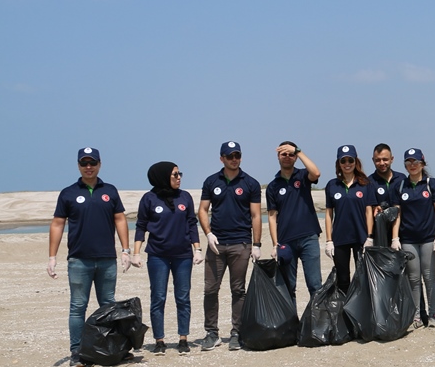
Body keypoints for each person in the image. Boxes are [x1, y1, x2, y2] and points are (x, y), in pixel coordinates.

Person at [47, 148, 132, 367]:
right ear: (78, 165)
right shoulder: (68, 193)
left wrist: (125, 250)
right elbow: (58, 224)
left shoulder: (110, 191)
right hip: (78, 260)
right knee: (77, 306)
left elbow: (120, 220)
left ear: (99, 164)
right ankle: (77, 352)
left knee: (109, 305)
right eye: (84, 163)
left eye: (92, 163)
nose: (88, 167)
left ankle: (112, 348)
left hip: (106, 259)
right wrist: (52, 256)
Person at [132, 162, 203, 355]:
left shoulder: (185, 197)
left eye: (180, 173)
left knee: (183, 297)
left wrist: (197, 248)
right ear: (163, 177)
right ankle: (159, 340)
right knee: (158, 297)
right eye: (175, 174)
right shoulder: (149, 199)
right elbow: (141, 226)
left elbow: (191, 224)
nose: (179, 177)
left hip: (183, 256)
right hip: (157, 255)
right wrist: (136, 253)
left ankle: (183, 338)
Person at [198, 141, 262, 351]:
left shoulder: (250, 183)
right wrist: (208, 234)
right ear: (222, 158)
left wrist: (257, 244)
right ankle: (212, 333)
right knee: (210, 290)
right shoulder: (211, 181)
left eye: (237, 155)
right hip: (217, 244)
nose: (234, 159)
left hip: (240, 244)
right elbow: (202, 210)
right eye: (230, 156)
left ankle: (237, 332)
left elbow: (255, 215)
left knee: (238, 290)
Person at [266, 141, 322, 309]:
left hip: (308, 237)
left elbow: (316, 173)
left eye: (291, 154)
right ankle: (293, 328)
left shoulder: (303, 176)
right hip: (286, 242)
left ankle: (318, 325)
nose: (287, 157)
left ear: (296, 157)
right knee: (289, 287)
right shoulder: (273, 186)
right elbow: (271, 216)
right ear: (278, 156)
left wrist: (298, 150)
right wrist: (275, 243)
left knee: (315, 285)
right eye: (284, 154)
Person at [393, 148, 435, 328]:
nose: (412, 165)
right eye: (409, 162)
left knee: (429, 277)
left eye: (416, 162)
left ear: (422, 163)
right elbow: (397, 215)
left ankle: (433, 314)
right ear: (405, 165)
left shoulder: (431, 184)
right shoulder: (400, 185)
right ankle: (416, 316)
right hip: (408, 240)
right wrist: (395, 238)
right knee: (413, 279)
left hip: (429, 238)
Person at [324, 145, 375, 292]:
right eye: (343, 160)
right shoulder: (332, 185)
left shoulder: (365, 184)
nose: (347, 164)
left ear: (355, 161)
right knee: (343, 278)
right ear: (338, 163)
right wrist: (329, 241)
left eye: (350, 160)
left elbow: (368, 211)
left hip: (361, 238)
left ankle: (361, 313)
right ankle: (344, 312)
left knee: (362, 277)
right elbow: (328, 214)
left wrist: (369, 237)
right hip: (340, 239)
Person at [368, 143, 407, 213]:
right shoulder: (369, 182)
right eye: (378, 160)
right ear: (373, 160)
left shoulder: (402, 179)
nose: (382, 163)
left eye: (385, 159)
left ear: (391, 159)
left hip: (402, 222)